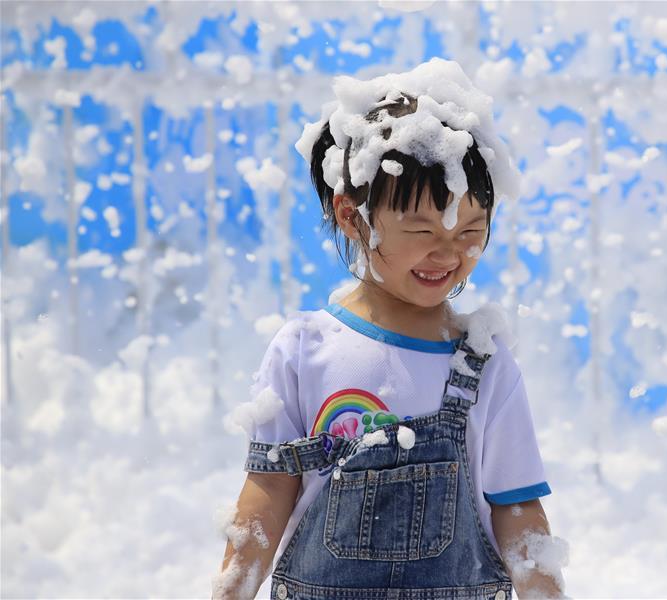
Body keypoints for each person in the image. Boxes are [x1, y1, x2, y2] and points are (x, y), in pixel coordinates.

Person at [215, 58, 565, 600]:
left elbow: (518, 512)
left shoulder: (482, 363)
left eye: (473, 229)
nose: (448, 252)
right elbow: (266, 496)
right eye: (422, 228)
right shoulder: (305, 350)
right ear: (353, 217)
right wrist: (231, 589)